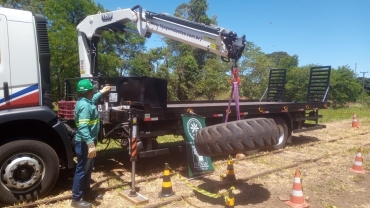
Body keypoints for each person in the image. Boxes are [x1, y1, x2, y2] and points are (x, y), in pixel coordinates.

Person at [71, 79, 111, 208]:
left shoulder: (86, 101)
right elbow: (82, 127)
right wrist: (90, 144)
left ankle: (87, 192)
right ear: (89, 90)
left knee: (88, 169)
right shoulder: (84, 106)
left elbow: (93, 99)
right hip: (84, 143)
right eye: (93, 90)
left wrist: (101, 92)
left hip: (88, 141)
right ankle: (76, 199)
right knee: (82, 169)